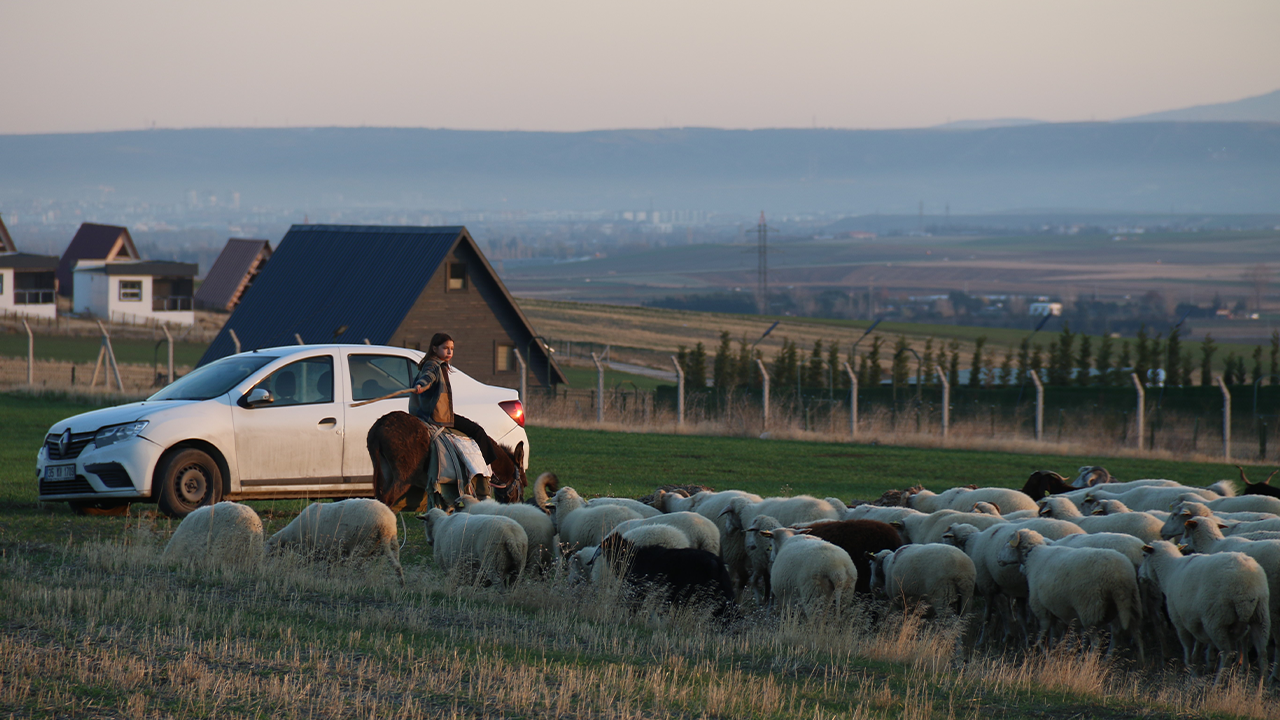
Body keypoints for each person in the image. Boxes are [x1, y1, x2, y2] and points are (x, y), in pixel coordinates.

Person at [409, 333, 494, 506]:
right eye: (445, 348)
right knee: (477, 431)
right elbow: (428, 377)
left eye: (452, 349)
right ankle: (487, 475)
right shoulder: (434, 364)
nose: (449, 352)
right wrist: (421, 385)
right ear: (434, 348)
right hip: (438, 417)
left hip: (432, 414)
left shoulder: (436, 364)